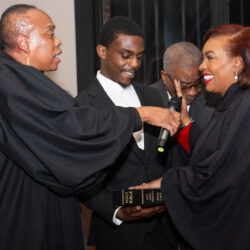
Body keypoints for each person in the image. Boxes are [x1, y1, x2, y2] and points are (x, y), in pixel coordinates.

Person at [0, 4, 181, 250]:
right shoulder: (8, 83)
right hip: (25, 216)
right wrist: (140, 115)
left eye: (140, 56)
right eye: (51, 33)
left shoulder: (28, 82)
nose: (58, 42)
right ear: (24, 42)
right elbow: (71, 131)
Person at [135, 24, 250, 250]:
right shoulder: (234, 101)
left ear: (237, 63)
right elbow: (216, 150)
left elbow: (218, 174)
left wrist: (163, 185)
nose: (201, 66)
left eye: (210, 58)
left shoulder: (245, 105)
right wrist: (186, 122)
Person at [76, 16, 177, 250]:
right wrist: (118, 211)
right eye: (126, 55)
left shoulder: (152, 97)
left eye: (139, 57)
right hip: (118, 235)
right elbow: (82, 177)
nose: (134, 64)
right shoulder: (82, 107)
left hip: (164, 229)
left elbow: (163, 156)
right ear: (102, 50)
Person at [151, 42, 216, 168]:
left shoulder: (213, 104)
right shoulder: (148, 100)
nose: (193, 92)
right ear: (165, 77)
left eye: (198, 84)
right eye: (184, 86)